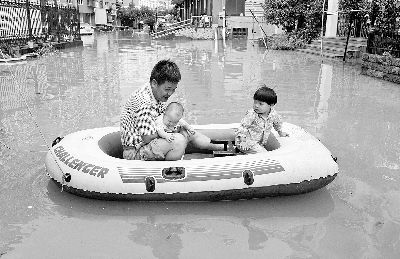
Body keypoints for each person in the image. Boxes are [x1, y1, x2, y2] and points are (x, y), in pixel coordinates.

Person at [120, 59, 222, 161]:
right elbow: (148, 137)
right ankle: (171, 169)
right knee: (179, 140)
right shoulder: (144, 103)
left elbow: (163, 120)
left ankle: (225, 147)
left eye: (173, 89)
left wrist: (177, 128)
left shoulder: (155, 93)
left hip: (150, 143)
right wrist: (171, 131)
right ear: (154, 83)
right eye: (167, 89)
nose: (170, 94)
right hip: (136, 152)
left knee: (187, 132)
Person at [235, 85, 289, 154]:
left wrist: (280, 132)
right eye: (255, 102)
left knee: (261, 149)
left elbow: (277, 123)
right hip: (246, 142)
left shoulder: (273, 114)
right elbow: (242, 128)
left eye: (261, 104)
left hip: (258, 142)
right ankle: (241, 151)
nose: (256, 105)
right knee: (263, 153)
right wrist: (243, 141)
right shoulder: (252, 114)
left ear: (271, 105)